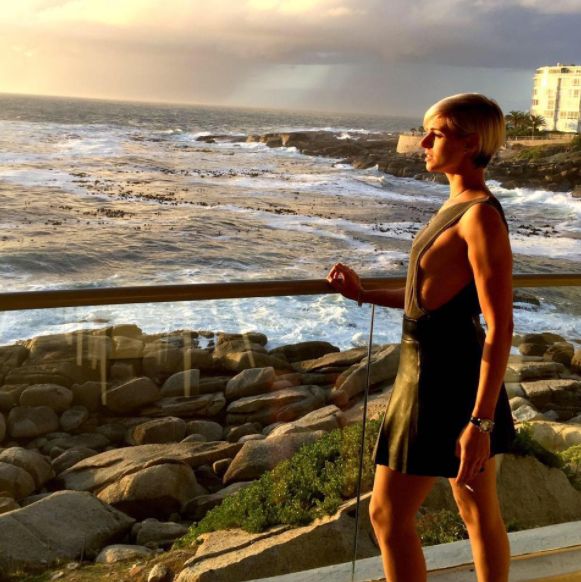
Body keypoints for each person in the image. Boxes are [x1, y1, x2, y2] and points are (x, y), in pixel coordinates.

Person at [326, 93, 515, 582]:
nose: (422, 142)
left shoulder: (479, 217)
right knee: (472, 508)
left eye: (436, 133)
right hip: (432, 367)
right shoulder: (459, 204)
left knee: (391, 516)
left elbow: (500, 323)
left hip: (443, 379)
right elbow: (428, 300)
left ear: (471, 143)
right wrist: (364, 294)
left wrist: (481, 422)